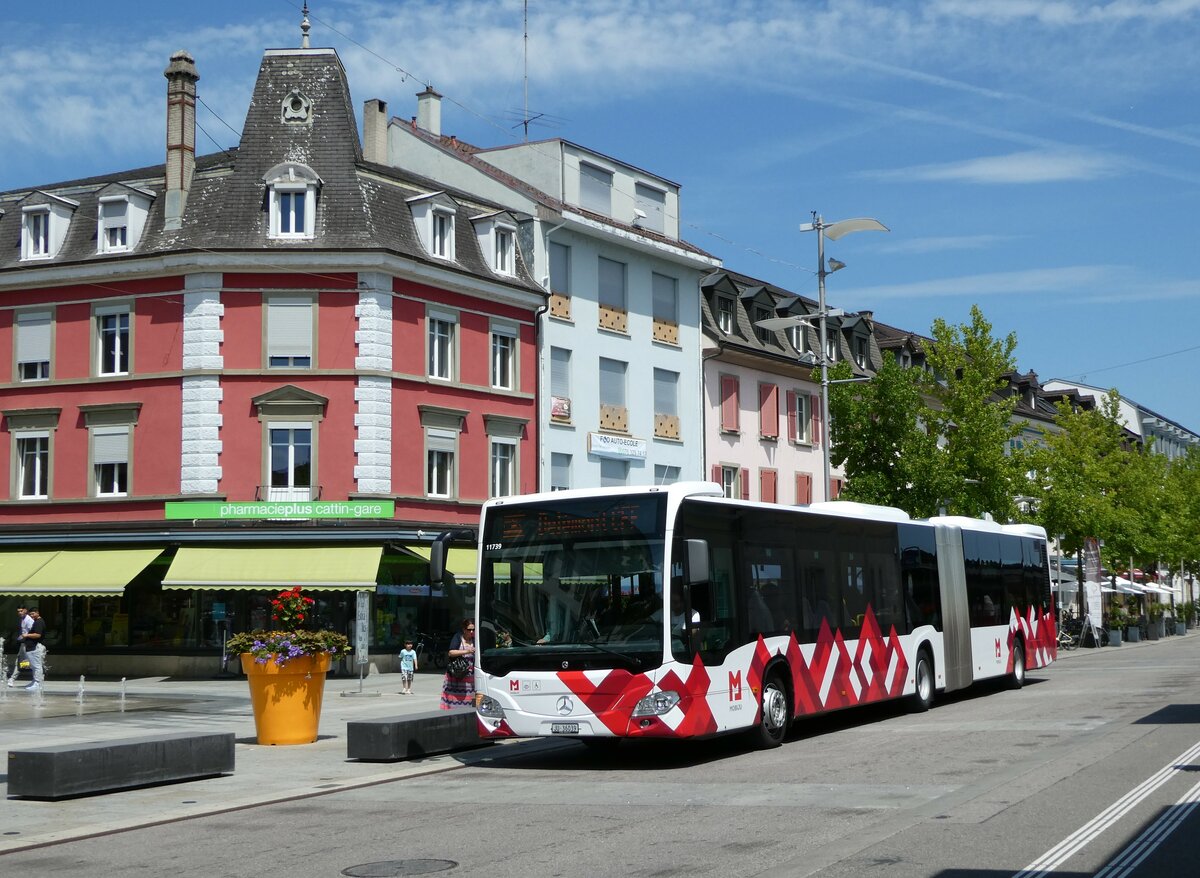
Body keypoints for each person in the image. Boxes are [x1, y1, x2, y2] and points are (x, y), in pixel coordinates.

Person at [439, 618, 475, 710]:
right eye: (469, 629)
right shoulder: (458, 637)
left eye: (473, 629)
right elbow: (451, 652)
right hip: (456, 677)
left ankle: (469, 716)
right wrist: (467, 650)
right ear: (464, 629)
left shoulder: (475, 640)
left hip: (471, 679)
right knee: (454, 702)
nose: (471, 631)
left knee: (471, 702)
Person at [7, 605, 33, 687]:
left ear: (25, 610)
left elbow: (33, 633)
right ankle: (35, 679)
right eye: (18, 611)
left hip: (28, 645)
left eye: (21, 611)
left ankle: (12, 679)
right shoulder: (23, 619)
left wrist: (24, 637)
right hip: (24, 644)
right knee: (23, 662)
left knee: (22, 662)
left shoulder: (29, 620)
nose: (19, 613)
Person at [23, 607, 46, 691]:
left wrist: (27, 635)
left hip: (34, 647)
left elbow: (38, 635)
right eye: (30, 614)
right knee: (33, 666)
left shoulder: (39, 622)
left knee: (36, 666)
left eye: (33, 614)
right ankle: (34, 681)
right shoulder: (36, 622)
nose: (32, 616)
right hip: (31, 647)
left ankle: (37, 683)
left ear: (37, 613)